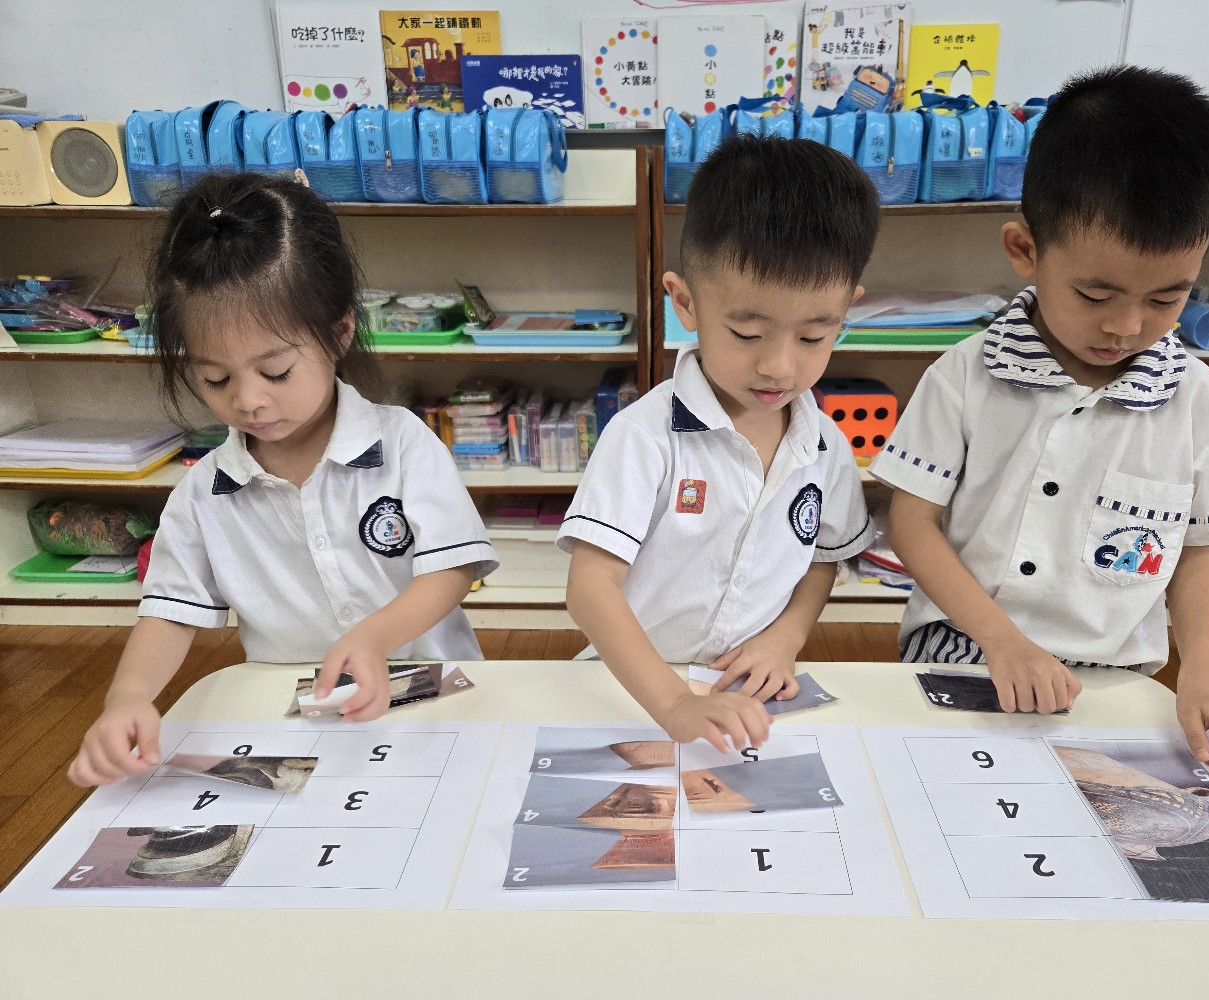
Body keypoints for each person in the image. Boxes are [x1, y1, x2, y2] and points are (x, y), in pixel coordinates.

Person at [874, 66, 1209, 774]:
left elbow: (1197, 552)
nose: (1126, 326)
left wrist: (1204, 676)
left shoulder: (1198, 401)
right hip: (966, 644)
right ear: (1025, 251)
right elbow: (911, 522)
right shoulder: (965, 375)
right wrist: (1002, 641)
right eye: (1095, 295)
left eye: (1166, 299)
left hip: (1117, 670)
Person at [68, 173, 497, 787]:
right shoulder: (204, 492)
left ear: (338, 333)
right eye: (216, 379)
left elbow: (452, 568)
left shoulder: (402, 443)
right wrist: (127, 699)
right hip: (294, 715)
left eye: (276, 371)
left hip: (436, 696)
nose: (248, 401)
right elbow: (169, 613)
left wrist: (374, 638)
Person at [560, 135, 880, 753]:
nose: (779, 367)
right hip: (632, 686)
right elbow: (589, 588)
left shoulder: (824, 444)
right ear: (685, 302)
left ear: (847, 311)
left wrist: (785, 639)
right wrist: (673, 702)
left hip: (744, 690)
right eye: (747, 333)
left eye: (813, 337)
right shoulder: (644, 436)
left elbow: (823, 558)